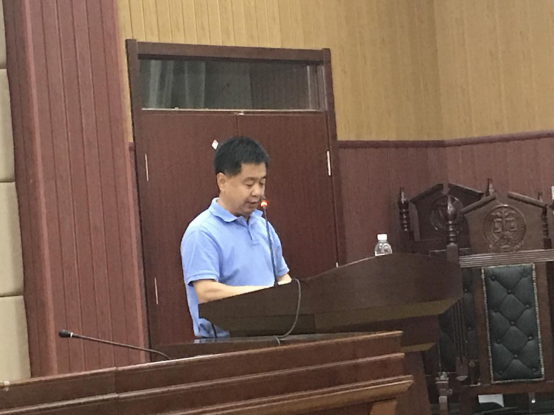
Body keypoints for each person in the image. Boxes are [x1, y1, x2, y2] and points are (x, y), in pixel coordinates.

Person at [181, 136, 292, 338]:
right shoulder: (202, 232)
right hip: (225, 345)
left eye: (262, 183)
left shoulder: (263, 226)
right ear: (222, 182)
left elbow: (283, 277)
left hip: (273, 337)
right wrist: (264, 296)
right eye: (249, 184)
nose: (257, 192)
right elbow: (206, 292)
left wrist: (286, 295)